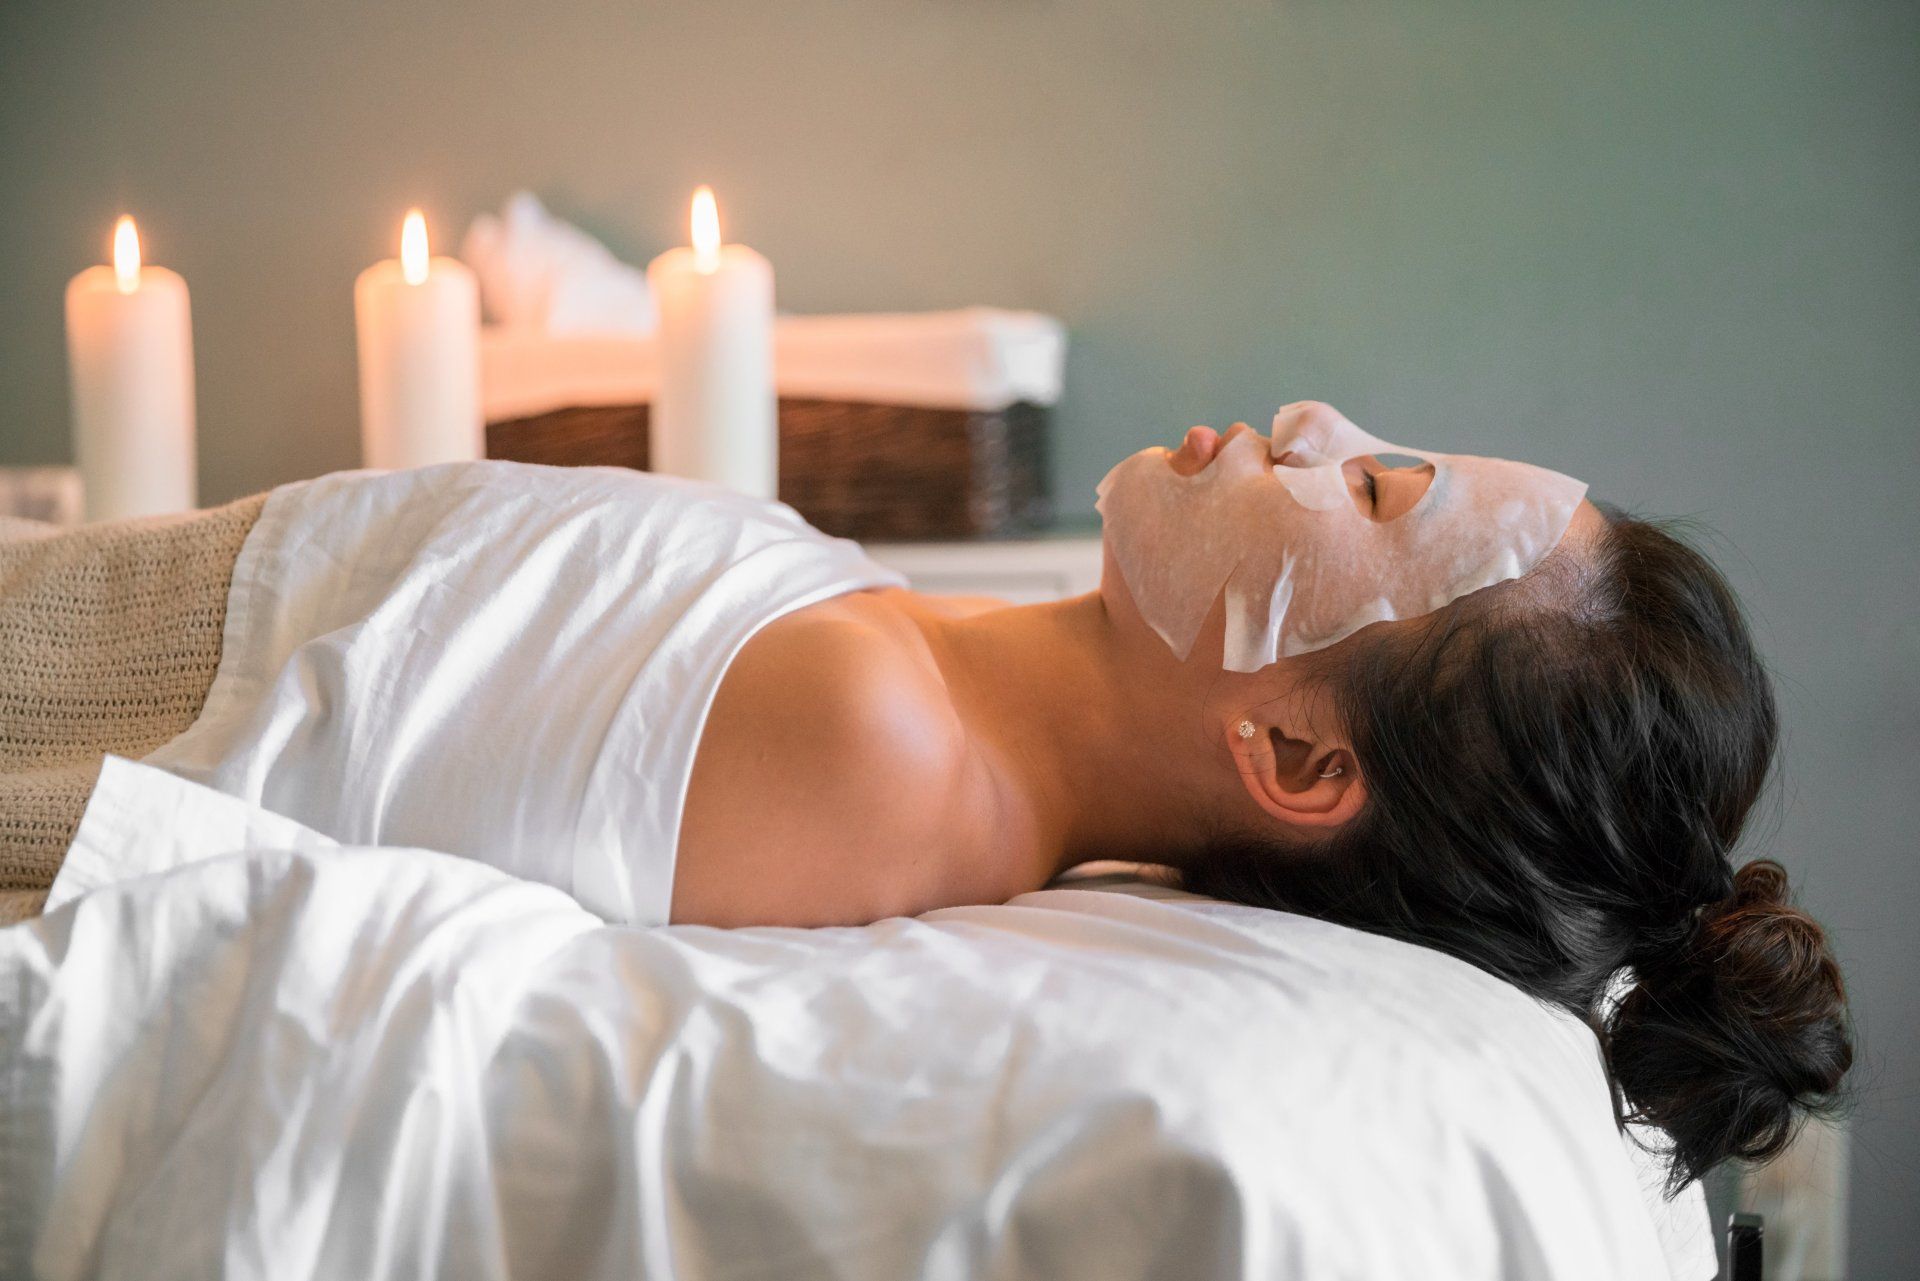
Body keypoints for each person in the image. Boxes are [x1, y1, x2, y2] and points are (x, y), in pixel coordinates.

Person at [0, 401, 1849, 1192]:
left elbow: (226, 749)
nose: (1317, 429)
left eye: (1370, 503)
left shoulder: (867, 746)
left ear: (1292, 757)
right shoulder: (912, 675)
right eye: (1394, 449)